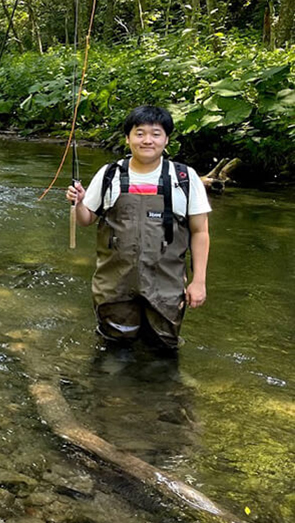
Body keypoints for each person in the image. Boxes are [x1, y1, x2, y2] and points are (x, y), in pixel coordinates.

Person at [66, 105, 211, 350]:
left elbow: (200, 231)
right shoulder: (110, 174)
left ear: (166, 139)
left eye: (155, 134)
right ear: (128, 138)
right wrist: (78, 203)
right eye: (139, 133)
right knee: (113, 348)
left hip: (166, 285)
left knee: (163, 350)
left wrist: (199, 281)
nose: (147, 140)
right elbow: (86, 219)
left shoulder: (185, 178)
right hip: (113, 284)